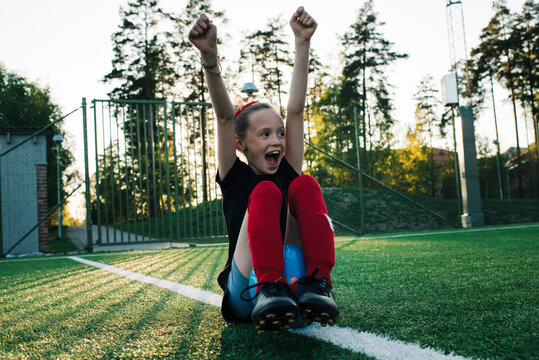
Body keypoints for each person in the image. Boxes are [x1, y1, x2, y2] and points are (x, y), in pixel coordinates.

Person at [188, 6, 338, 334]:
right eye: (265, 134)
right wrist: (210, 57)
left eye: (280, 133)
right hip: (248, 287)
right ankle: (271, 288)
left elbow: (295, 111)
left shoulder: (287, 169)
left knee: (305, 185)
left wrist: (302, 42)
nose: (277, 140)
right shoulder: (235, 175)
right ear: (241, 143)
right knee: (266, 192)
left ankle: (318, 283)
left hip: (293, 274)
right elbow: (226, 118)